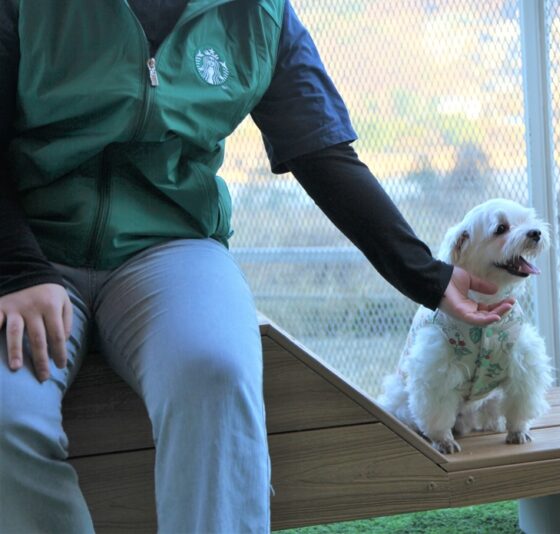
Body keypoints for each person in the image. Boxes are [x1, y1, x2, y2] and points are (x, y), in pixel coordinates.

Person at [0, 1, 513, 532]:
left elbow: (322, 152)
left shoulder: (260, 15)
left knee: (217, 372)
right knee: (5, 418)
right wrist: (16, 270)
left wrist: (428, 276)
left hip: (171, 244)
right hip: (23, 245)